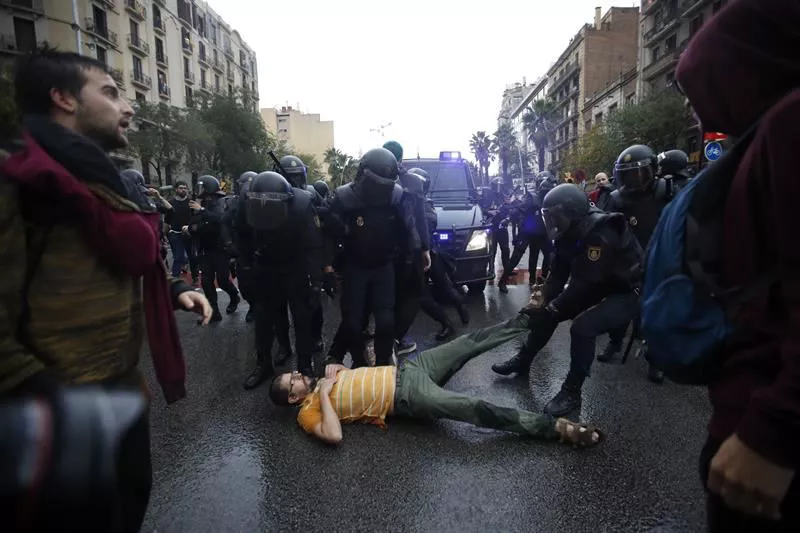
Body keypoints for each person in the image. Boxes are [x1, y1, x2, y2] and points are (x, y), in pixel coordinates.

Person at [0, 48, 212, 532]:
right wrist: (55, 402)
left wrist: (175, 285)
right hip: (53, 410)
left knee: (126, 508)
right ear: (63, 98)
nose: (128, 107)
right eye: (112, 93)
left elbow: (123, 258)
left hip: (119, 392)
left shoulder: (103, 179)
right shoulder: (19, 179)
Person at [677, 0, 800, 529]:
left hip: (769, 444)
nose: (696, 111)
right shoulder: (763, 134)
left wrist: (774, 432)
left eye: (700, 88)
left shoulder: (791, 122)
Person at [268, 315, 603, 448]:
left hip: (411, 369)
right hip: (407, 396)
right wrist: (325, 393)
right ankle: (556, 428)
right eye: (293, 382)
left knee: (468, 343)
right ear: (294, 399)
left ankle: (530, 318)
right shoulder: (308, 412)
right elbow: (334, 436)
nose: (298, 376)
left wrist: (337, 371)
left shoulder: (322, 377)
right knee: (475, 409)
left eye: (294, 373)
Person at [491, 184, 643, 416]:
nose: (552, 223)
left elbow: (581, 286)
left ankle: (572, 392)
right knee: (547, 313)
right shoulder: (568, 231)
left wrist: (552, 309)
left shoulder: (599, 233)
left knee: (583, 328)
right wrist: (541, 301)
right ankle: (523, 360)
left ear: (573, 213)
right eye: (548, 217)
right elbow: (559, 273)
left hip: (625, 291)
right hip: (599, 283)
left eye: (556, 217)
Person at [326, 147, 421, 367]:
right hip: (354, 267)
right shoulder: (343, 198)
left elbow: (408, 230)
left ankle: (382, 362)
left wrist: (411, 259)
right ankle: (359, 363)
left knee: (386, 321)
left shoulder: (396, 196)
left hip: (383, 266)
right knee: (352, 322)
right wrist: (327, 268)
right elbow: (329, 236)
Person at [235, 171, 324, 387]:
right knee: (264, 318)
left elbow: (313, 246)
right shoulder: (246, 200)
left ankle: (305, 366)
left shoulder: (302, 204)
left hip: (296, 265)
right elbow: (240, 233)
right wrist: (246, 265)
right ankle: (263, 363)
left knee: (302, 318)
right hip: (266, 264)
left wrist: (316, 281)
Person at [603, 144, 673, 384]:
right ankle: (614, 343)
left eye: (639, 173)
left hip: (657, 263)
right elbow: (608, 233)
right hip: (626, 264)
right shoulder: (616, 199)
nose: (633, 180)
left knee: (654, 316)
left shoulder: (666, 194)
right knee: (620, 309)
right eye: (628, 174)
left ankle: (656, 360)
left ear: (652, 171)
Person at [383, 140, 431, 356]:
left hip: (383, 249)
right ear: (401, 158)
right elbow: (420, 218)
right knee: (414, 294)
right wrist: (426, 248)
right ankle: (395, 338)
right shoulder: (412, 180)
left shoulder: (370, 179)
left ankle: (385, 340)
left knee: (389, 296)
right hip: (409, 249)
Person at [411, 166, 469, 340]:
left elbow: (427, 226)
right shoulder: (410, 201)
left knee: (438, 289)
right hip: (419, 254)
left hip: (427, 254)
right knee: (426, 293)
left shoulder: (424, 205)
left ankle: (455, 313)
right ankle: (452, 319)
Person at [189, 174, 240, 322]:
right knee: (206, 281)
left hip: (220, 248)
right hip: (205, 248)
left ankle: (234, 296)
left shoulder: (222, 202)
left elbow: (220, 220)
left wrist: (203, 210)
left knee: (223, 280)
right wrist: (192, 228)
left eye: (201, 187)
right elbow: (194, 222)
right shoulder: (199, 202)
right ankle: (213, 312)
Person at [498, 172, 555, 294]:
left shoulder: (552, 198)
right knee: (516, 257)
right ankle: (502, 281)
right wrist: (508, 219)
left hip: (543, 231)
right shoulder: (531, 197)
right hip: (528, 230)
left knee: (548, 255)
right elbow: (519, 209)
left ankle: (539, 279)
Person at [165, 180, 198, 283]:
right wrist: (164, 234)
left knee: (192, 256)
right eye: (181, 188)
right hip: (175, 233)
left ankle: (195, 277)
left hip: (189, 233)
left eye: (185, 188)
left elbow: (196, 217)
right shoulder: (170, 203)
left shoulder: (191, 203)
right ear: (176, 189)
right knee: (178, 257)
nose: (183, 190)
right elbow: (167, 219)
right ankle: (175, 279)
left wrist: (191, 227)